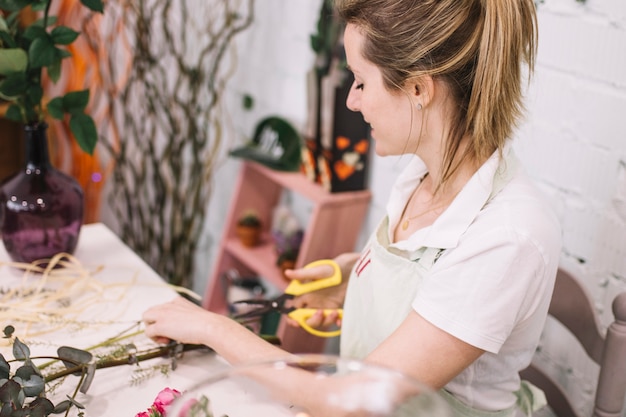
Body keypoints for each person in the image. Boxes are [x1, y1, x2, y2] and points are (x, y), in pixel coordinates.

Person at [142, 0, 562, 415]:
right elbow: (424, 279)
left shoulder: (507, 237)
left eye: (361, 82)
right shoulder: (424, 176)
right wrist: (355, 281)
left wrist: (212, 326)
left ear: (418, 89)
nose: (352, 102)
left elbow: (353, 402)